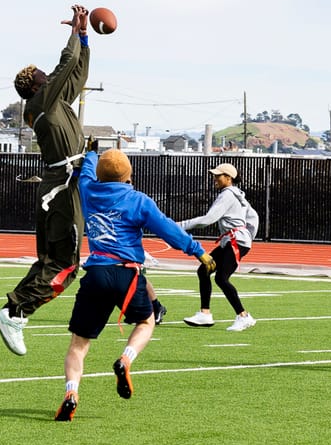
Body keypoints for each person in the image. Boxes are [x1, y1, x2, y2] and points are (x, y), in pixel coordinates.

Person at [55, 149, 215, 421]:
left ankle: (72, 392)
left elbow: (86, 171)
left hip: (95, 273)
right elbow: (168, 229)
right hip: (128, 274)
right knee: (146, 322)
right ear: (129, 175)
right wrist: (197, 251)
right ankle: (126, 359)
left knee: (78, 345)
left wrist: (92, 152)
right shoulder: (138, 200)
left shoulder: (88, 190)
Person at [0, 4, 90, 356]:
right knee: (65, 263)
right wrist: (72, 35)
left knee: (51, 260)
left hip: (60, 183)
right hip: (63, 185)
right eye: (43, 76)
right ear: (34, 86)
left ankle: (15, 311)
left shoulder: (52, 102)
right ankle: (15, 310)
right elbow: (67, 67)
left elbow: (76, 76)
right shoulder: (41, 100)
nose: (49, 76)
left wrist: (84, 37)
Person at [178, 162, 260, 331]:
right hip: (233, 240)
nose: (214, 179)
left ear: (228, 178)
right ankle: (205, 314)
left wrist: (179, 225)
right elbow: (254, 217)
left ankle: (244, 316)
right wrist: (248, 235)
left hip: (235, 241)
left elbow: (208, 219)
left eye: (218, 176)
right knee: (204, 269)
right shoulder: (238, 195)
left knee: (221, 278)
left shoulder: (228, 194)